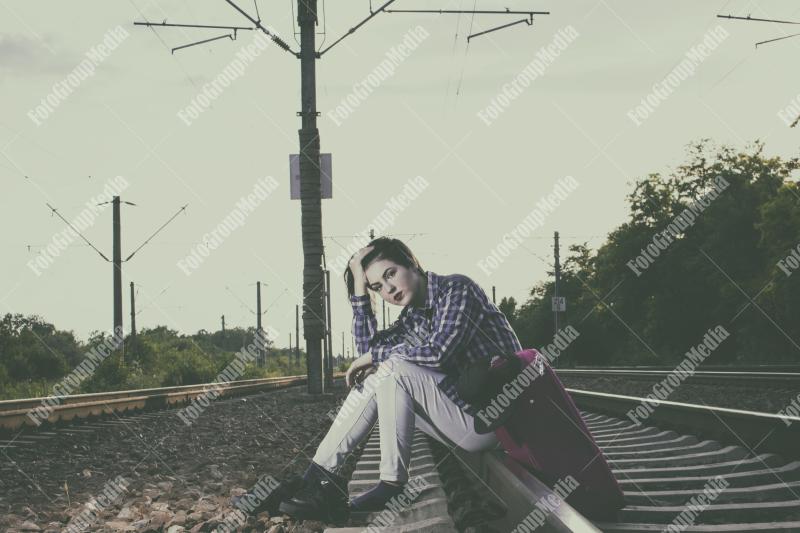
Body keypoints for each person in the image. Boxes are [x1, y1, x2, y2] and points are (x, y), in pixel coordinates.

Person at [277, 237, 523, 523]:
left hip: (495, 421)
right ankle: (316, 478)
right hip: (464, 418)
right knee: (378, 374)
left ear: (411, 263)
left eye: (390, 274)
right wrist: (359, 283)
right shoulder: (413, 318)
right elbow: (368, 349)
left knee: (391, 366)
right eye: (377, 287)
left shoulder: (457, 289)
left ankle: (391, 484)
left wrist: (373, 358)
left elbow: (439, 352)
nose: (389, 289)